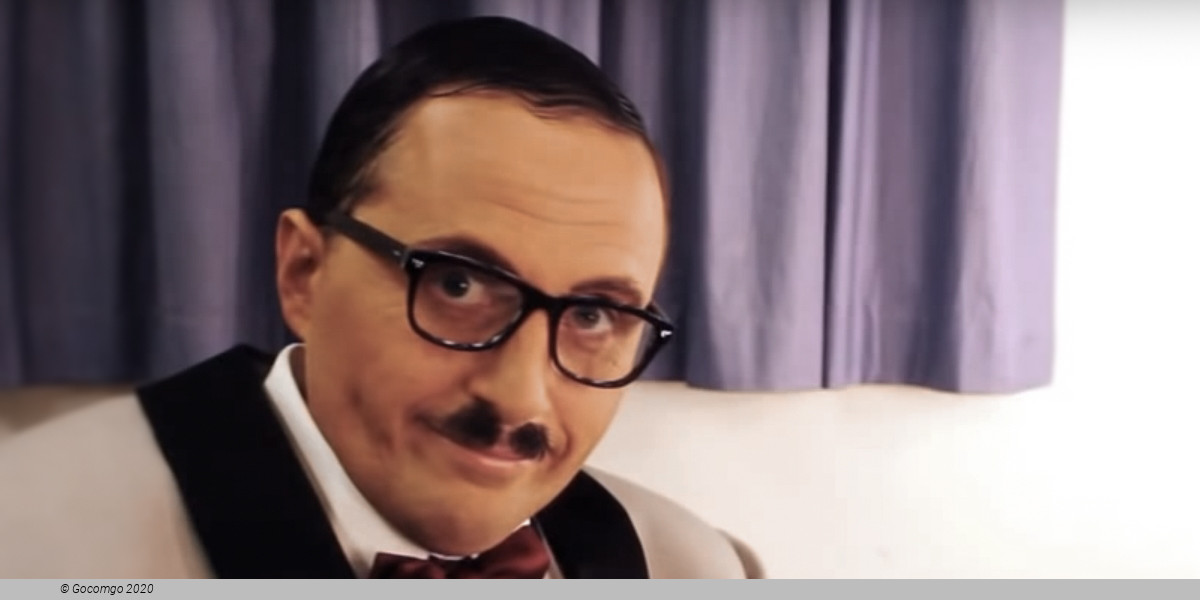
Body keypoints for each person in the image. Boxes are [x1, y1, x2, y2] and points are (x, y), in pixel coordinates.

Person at [0, 17, 752, 578]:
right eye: (458, 283)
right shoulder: (29, 542)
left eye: (592, 315)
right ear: (304, 273)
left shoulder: (691, 566)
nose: (521, 397)